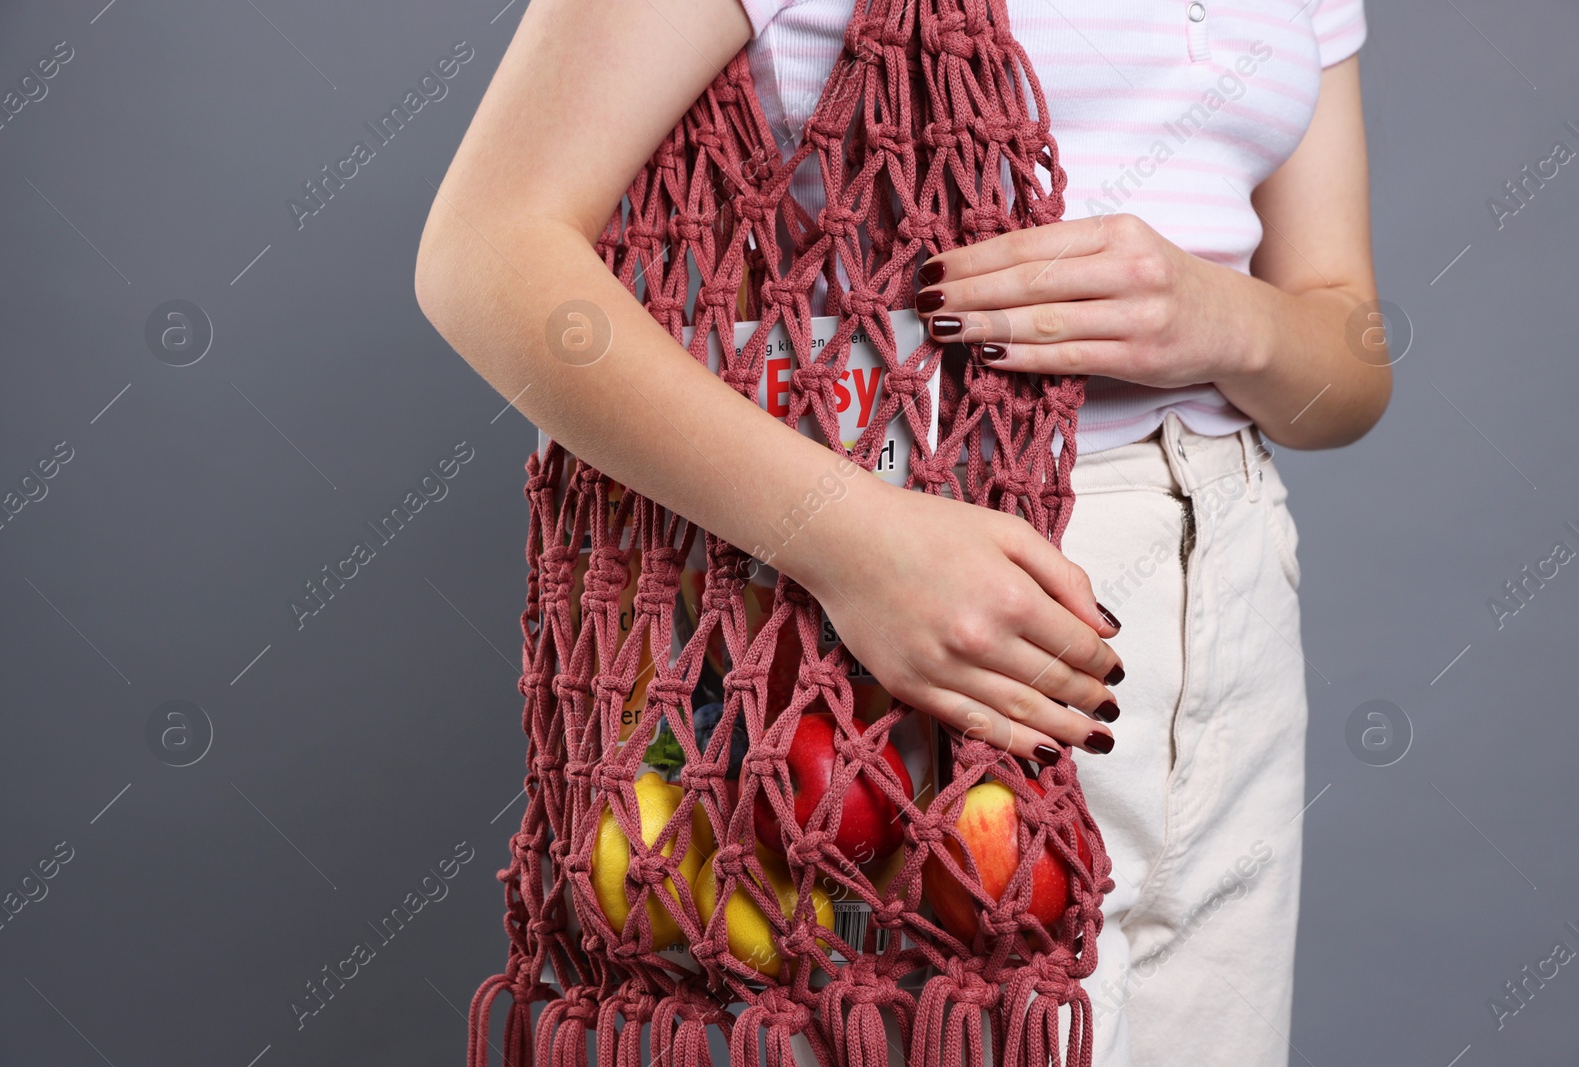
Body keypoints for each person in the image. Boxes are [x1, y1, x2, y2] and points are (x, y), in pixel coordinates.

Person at [414, 0, 1389, 1063]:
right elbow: (486, 251)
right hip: (906, 581)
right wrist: (850, 541)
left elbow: (1344, 356)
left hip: (1228, 578)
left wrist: (1223, 317)